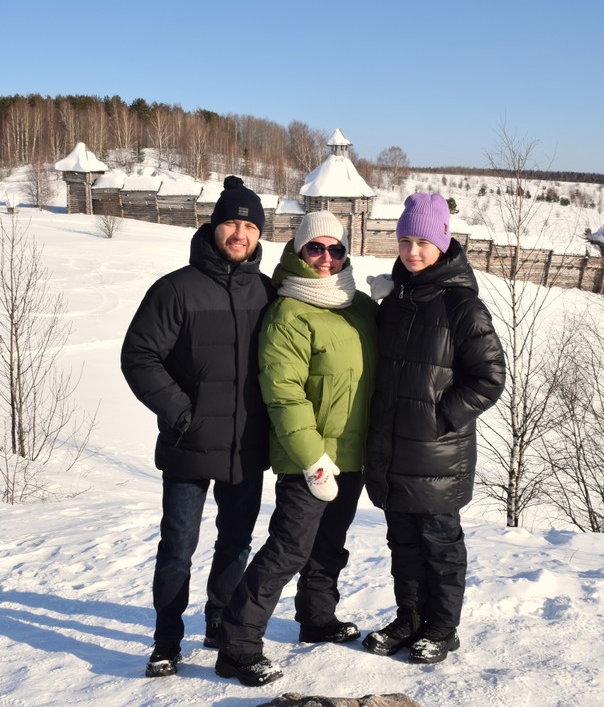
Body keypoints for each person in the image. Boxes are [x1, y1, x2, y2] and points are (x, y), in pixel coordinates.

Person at [215, 211, 379, 687]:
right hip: (309, 459)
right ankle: (238, 643)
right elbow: (284, 392)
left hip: (352, 455)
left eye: (336, 250)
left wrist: (399, 298)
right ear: (297, 252)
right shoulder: (288, 312)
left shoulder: (361, 305)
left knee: (329, 547)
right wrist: (312, 459)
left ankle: (317, 619)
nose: (326, 259)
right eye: (315, 248)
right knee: (289, 549)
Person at [120, 176, 275, 678]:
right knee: (178, 546)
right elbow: (139, 355)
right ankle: (167, 640)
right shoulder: (176, 290)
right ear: (213, 227)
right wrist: (180, 411)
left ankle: (219, 624)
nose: (240, 233)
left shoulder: (268, 292)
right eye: (232, 221)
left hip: (247, 447)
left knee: (236, 542)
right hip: (190, 444)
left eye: (250, 225)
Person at [362, 192, 506, 665]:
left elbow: (489, 379)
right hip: (393, 452)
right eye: (405, 241)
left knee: (440, 545)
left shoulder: (462, 307)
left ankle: (442, 628)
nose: (413, 252)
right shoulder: (396, 301)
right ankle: (409, 618)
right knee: (402, 543)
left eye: (423, 241)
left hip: (438, 455)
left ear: (443, 242)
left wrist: (439, 418)